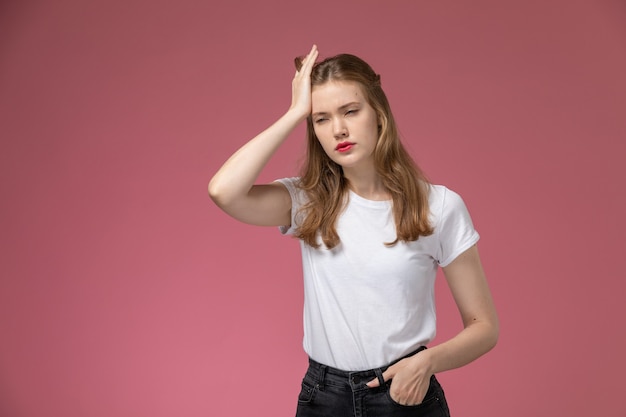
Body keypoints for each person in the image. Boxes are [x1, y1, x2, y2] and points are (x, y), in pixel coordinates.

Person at [209, 45, 499, 417]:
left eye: (350, 111)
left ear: (379, 114)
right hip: (324, 396)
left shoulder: (439, 207)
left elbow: (484, 326)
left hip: (404, 393)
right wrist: (295, 111)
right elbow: (223, 191)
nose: (339, 129)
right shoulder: (308, 200)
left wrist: (428, 363)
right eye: (321, 119)